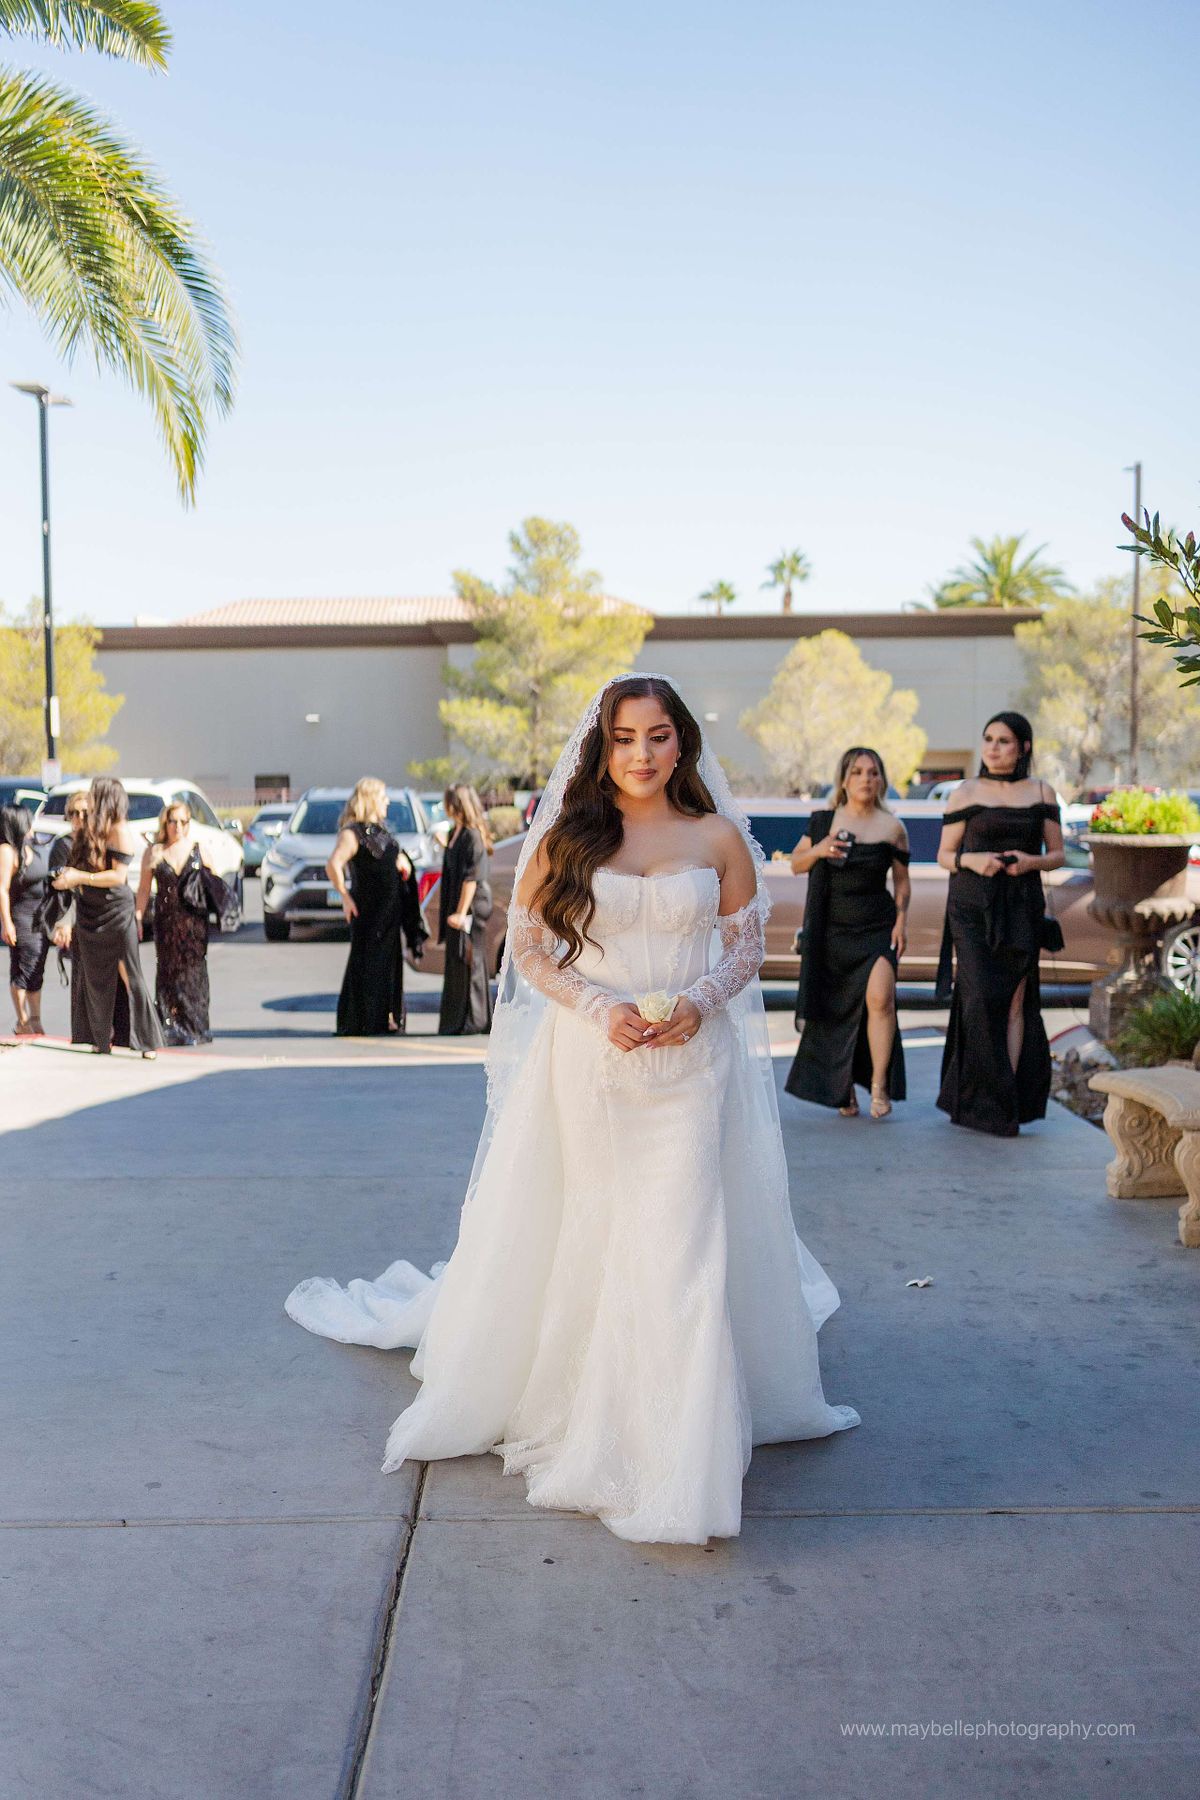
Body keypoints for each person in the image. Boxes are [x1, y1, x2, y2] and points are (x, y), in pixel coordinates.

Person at [286, 674, 859, 1545]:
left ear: (683, 743)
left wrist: (700, 1001)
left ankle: (683, 1465)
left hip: (690, 1067)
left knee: (683, 1241)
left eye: (658, 737)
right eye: (625, 738)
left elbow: (748, 948)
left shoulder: (718, 838)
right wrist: (600, 1007)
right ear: (602, 745)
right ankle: (605, 1411)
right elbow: (530, 952)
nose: (641, 754)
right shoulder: (567, 838)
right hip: (593, 1064)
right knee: (606, 1233)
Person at [935, 711, 1064, 1136]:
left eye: (1004, 740)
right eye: (988, 739)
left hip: (1022, 904)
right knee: (976, 998)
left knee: (1014, 1003)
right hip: (972, 906)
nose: (993, 747)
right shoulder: (965, 792)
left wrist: (1031, 861)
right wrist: (973, 859)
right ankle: (977, 1102)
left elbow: (1058, 855)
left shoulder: (1042, 791)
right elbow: (944, 856)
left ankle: (1007, 1099)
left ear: (1024, 747)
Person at [785, 747, 910, 1119]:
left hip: (877, 928)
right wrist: (821, 849)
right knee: (838, 1012)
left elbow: (902, 884)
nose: (866, 779)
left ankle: (878, 1085)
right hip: (832, 933)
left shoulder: (893, 827)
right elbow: (795, 864)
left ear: (882, 780)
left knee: (880, 999)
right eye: (857, 772)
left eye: (873, 773)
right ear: (843, 779)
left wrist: (902, 920)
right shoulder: (824, 822)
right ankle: (843, 1091)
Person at [52, 776, 162, 1057]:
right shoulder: (92, 830)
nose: (89, 800)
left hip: (116, 911)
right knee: (94, 977)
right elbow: (78, 865)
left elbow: (117, 876)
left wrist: (81, 876)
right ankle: (99, 1038)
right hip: (90, 911)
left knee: (129, 974)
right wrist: (69, 878)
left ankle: (147, 1041)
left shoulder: (120, 829)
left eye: (94, 795)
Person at [326, 778, 427, 1036]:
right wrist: (345, 897)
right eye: (383, 797)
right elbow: (333, 865)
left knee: (388, 964)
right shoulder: (352, 833)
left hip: (390, 911)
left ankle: (385, 1016)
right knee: (368, 963)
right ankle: (363, 1019)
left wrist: (402, 861)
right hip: (369, 911)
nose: (387, 802)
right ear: (370, 799)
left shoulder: (381, 830)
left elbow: (388, 856)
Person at [135, 802, 223, 1046]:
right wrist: (139, 917)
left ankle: (195, 1025)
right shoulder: (154, 852)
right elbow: (143, 889)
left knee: (194, 972)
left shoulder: (199, 850)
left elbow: (214, 883)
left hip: (194, 921)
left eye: (184, 821)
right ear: (165, 823)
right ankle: (169, 1024)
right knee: (167, 971)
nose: (178, 827)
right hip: (166, 921)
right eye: (173, 821)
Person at [437, 784, 494, 1035]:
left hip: (471, 904)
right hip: (457, 902)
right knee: (458, 959)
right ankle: (457, 1020)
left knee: (471, 958)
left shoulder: (472, 835)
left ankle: (474, 1020)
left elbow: (471, 878)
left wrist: (461, 913)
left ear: (455, 804)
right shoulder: (454, 833)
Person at [1, 805, 51, 1036]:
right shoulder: (7, 851)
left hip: (39, 919)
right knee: (23, 968)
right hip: (21, 918)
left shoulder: (31, 847)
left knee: (37, 968)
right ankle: (23, 1021)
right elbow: (2, 889)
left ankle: (35, 1018)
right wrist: (7, 923)